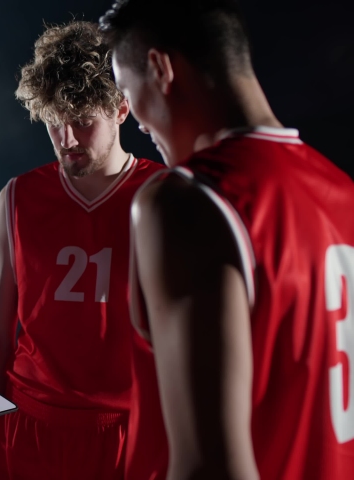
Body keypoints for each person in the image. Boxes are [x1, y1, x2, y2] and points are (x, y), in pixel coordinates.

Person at [100, 0, 354, 478]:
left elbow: (210, 468)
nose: (134, 119)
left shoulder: (190, 199)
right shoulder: (345, 194)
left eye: (126, 92)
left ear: (160, 68)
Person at [0, 21, 164, 480]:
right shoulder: (16, 198)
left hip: (129, 433)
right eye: (55, 122)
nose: (67, 139)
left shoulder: (163, 195)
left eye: (82, 122)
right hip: (30, 429)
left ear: (121, 108)